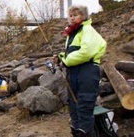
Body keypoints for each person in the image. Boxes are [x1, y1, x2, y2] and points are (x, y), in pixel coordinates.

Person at [55, 5, 107, 137]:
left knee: (84, 107)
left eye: (76, 15)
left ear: (83, 16)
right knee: (73, 107)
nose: (72, 18)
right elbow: (72, 53)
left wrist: (65, 60)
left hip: (87, 72)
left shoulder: (87, 30)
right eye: (71, 15)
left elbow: (86, 52)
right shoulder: (73, 33)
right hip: (73, 73)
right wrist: (61, 57)